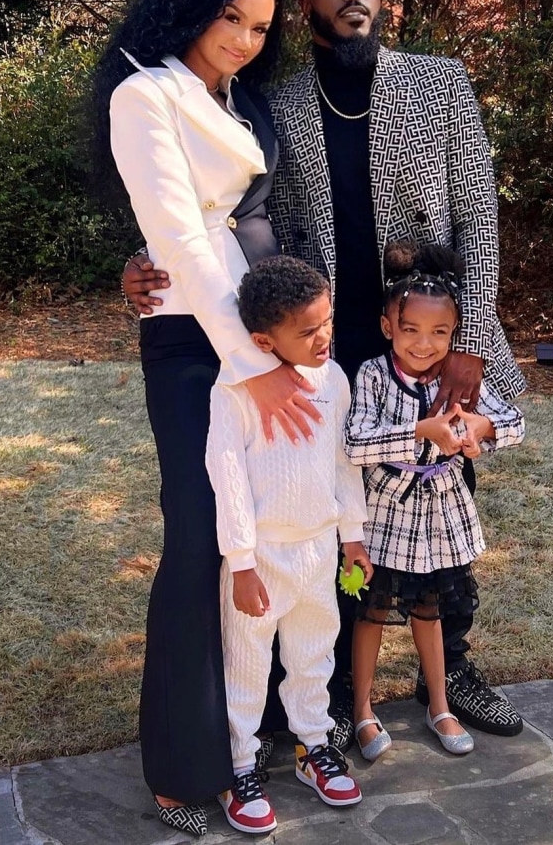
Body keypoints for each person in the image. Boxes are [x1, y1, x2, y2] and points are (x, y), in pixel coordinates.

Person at [122, 0, 528, 740]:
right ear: (305, 4)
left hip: (430, 335)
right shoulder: (275, 101)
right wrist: (144, 259)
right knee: (338, 517)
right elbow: (224, 209)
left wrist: (470, 340)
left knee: (444, 507)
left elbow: (478, 217)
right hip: (325, 346)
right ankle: (340, 684)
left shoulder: (441, 83)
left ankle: (458, 667)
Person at [89, 0, 321, 836]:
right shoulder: (145, 95)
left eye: (261, 26)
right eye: (231, 17)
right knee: (198, 536)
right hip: (198, 341)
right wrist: (255, 363)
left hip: (273, 335)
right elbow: (181, 239)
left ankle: (252, 734)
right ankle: (184, 769)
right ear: (190, 6)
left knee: (260, 538)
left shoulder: (245, 102)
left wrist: (289, 344)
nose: (243, 38)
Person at [206, 255, 371, 833]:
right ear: (261, 339)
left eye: (327, 322)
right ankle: (239, 763)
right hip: (262, 559)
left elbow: (344, 465)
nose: (323, 337)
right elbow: (226, 479)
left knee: (313, 655)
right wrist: (243, 563)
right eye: (306, 331)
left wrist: (352, 536)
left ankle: (313, 746)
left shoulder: (336, 380)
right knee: (246, 663)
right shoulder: (234, 392)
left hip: (318, 550)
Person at [344, 241, 525, 761]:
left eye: (440, 333)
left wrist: (480, 427)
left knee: (431, 607)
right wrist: (419, 432)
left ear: (455, 334)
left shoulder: (459, 381)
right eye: (411, 331)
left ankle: (440, 704)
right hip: (386, 511)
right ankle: (361, 709)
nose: (424, 345)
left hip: (440, 513)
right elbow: (356, 443)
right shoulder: (374, 376)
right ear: (387, 328)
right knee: (373, 611)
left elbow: (514, 423)